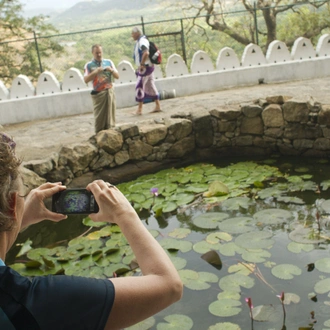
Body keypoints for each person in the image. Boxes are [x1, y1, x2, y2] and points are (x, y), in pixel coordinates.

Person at [0, 132, 183, 330]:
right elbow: (169, 286)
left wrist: (19, 218)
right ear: (11, 205)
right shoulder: (39, 301)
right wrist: (124, 214)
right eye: (23, 194)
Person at [84, 44, 120, 133]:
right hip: (99, 94)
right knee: (99, 118)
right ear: (92, 53)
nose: (99, 55)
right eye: (96, 53)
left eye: (100, 52)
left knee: (110, 116)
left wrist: (111, 70)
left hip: (109, 92)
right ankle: (99, 134)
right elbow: (86, 79)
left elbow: (117, 76)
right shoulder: (89, 65)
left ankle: (111, 132)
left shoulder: (109, 62)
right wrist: (95, 72)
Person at [131, 26, 162, 115]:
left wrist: (141, 64)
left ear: (137, 33)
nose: (132, 35)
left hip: (145, 68)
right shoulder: (141, 40)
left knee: (139, 86)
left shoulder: (142, 41)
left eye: (133, 33)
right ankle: (157, 105)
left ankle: (139, 109)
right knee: (150, 85)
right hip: (148, 66)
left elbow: (146, 52)